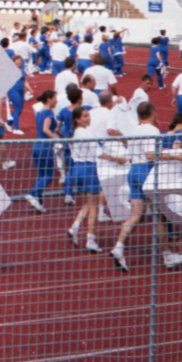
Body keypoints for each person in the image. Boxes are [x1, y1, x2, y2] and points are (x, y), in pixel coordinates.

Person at [105, 102, 182, 272]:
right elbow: (151, 154)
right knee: (160, 215)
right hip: (146, 172)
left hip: (134, 172)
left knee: (136, 214)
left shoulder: (134, 130)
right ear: (152, 112)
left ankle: (119, 247)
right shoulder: (152, 131)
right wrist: (176, 157)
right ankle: (167, 254)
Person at [65, 106, 107, 254]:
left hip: (78, 168)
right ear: (77, 119)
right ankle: (91, 239)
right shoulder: (87, 133)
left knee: (89, 203)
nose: (88, 118)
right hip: (89, 168)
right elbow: (99, 153)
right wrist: (119, 158)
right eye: (85, 116)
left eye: (88, 115)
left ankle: (75, 227)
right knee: (94, 206)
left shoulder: (76, 133)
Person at [20, 90, 60, 212]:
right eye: (55, 98)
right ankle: (33, 194)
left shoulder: (40, 112)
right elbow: (46, 129)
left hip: (37, 146)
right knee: (48, 175)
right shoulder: (48, 113)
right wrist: (58, 139)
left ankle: (39, 203)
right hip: (45, 147)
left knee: (41, 175)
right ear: (49, 99)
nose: (56, 100)